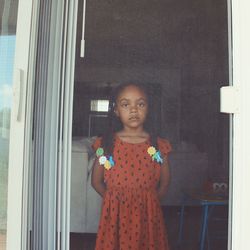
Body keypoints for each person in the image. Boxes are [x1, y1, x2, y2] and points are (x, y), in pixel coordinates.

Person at [91, 83, 172, 250]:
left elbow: (164, 183)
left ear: (148, 109)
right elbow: (96, 182)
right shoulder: (105, 144)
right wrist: (112, 200)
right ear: (116, 111)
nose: (134, 110)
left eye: (140, 104)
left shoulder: (158, 145)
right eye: (126, 104)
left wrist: (150, 201)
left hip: (148, 215)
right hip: (115, 215)